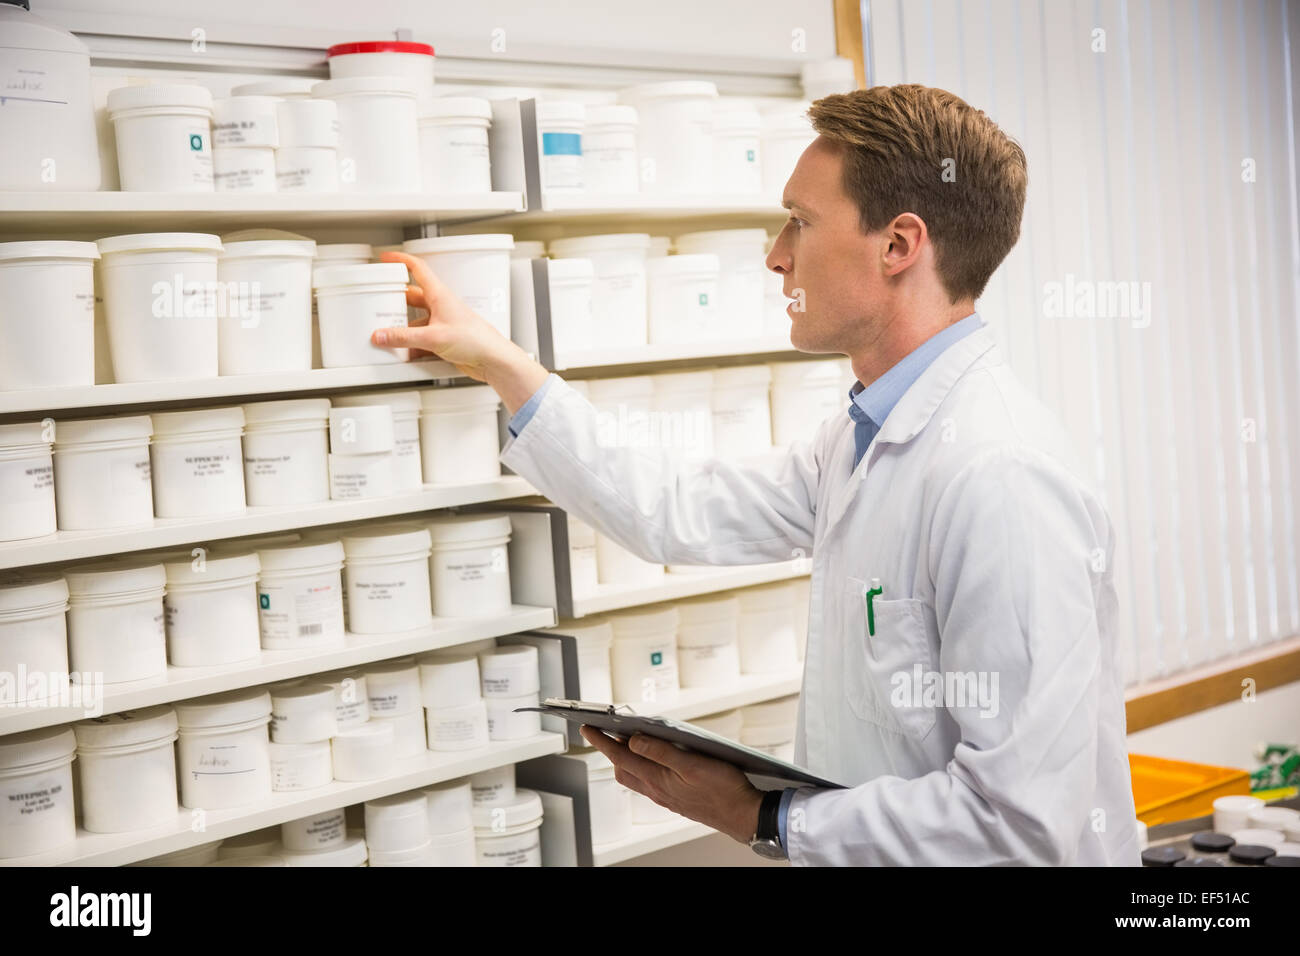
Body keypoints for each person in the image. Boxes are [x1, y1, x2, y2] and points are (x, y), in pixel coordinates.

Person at [371, 83, 1141, 866]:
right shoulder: (859, 438)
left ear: (899, 246)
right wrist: (499, 361)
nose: (777, 255)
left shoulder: (1001, 477)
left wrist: (767, 817)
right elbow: (679, 509)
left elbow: (1017, 824)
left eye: (801, 222)